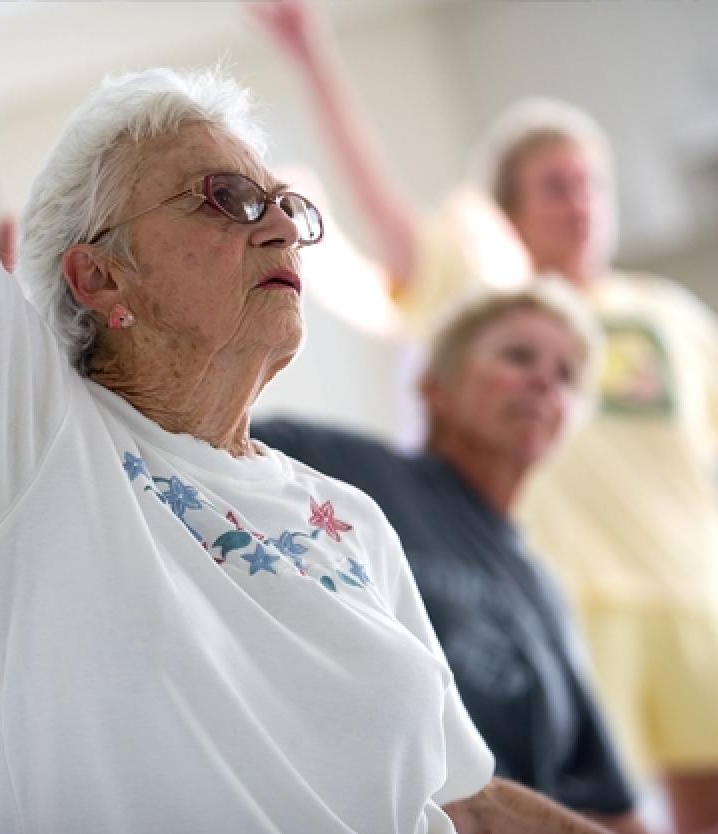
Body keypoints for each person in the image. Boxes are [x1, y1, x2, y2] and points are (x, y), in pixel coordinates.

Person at [0, 5, 622, 833]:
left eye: (286, 204)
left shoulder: (355, 520)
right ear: (100, 277)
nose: (285, 228)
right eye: (227, 198)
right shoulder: (33, 446)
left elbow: (464, 799)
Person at [249, 3, 718, 832]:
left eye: (591, 184)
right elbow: (387, 215)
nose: (580, 204)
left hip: (695, 590)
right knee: (569, 797)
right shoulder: (492, 307)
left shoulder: (673, 315)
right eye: (555, 186)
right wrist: (312, 56)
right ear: (513, 209)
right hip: (580, 599)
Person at [255, 281, 647, 834]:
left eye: (566, 375)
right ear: (435, 386)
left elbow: (609, 800)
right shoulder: (335, 468)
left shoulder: (543, 591)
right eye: (518, 356)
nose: (544, 381)